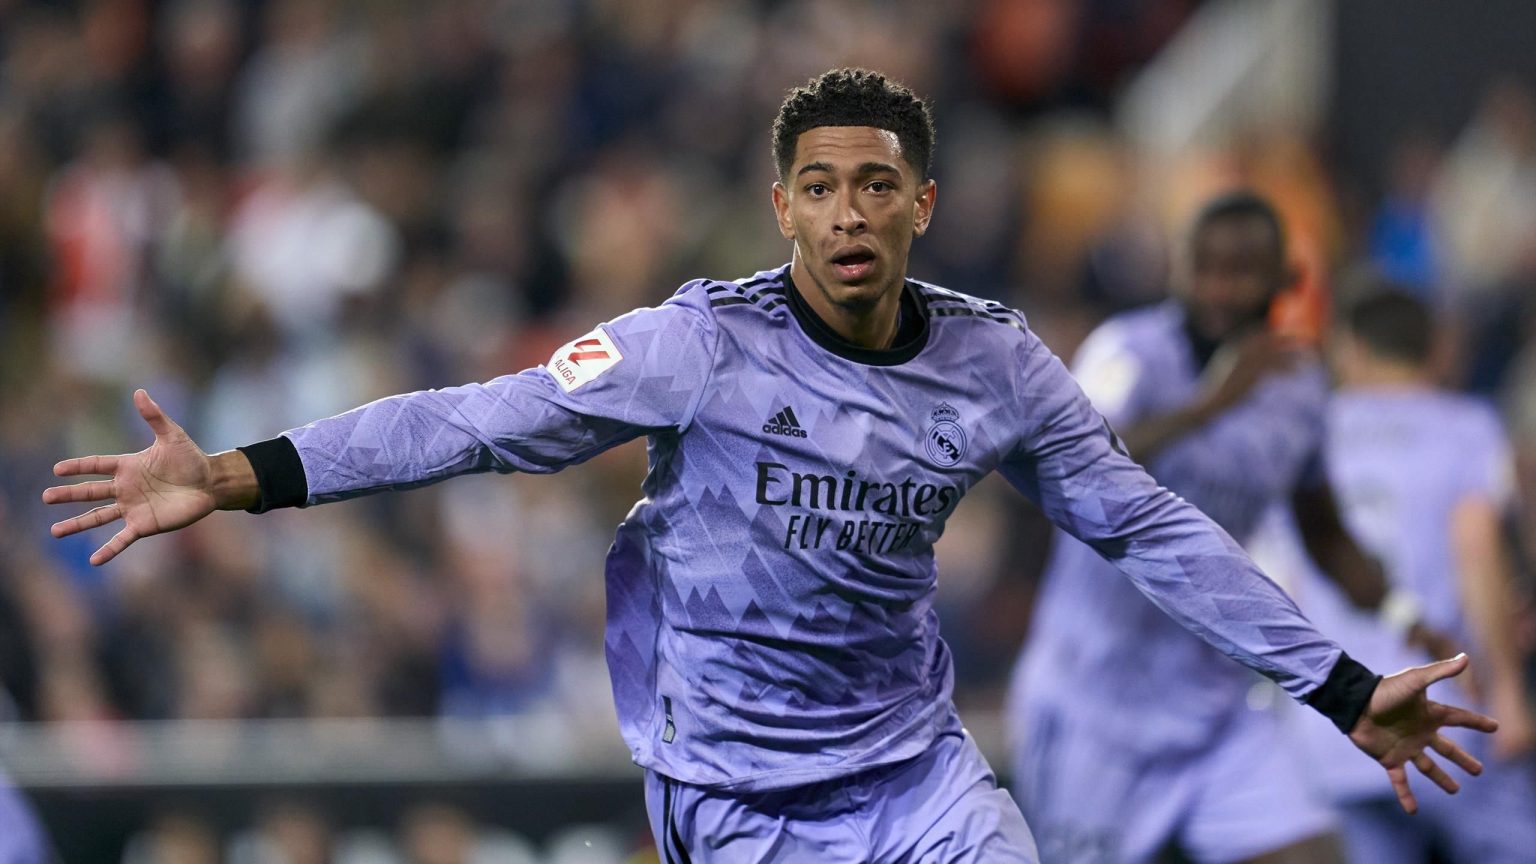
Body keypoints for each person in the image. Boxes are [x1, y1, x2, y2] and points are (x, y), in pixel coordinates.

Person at [44, 69, 1494, 863]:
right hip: (736, 793)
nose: (849, 213)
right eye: (820, 187)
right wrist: (234, 475)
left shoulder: (997, 366)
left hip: (918, 770)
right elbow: (473, 422)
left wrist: (1342, 688)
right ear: (782, 207)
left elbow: (1150, 528)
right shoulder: (696, 349)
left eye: (877, 185)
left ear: (923, 204)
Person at [1005, 193, 1459, 864]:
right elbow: (1059, 460)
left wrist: (1402, 612)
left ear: (1287, 280)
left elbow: (1325, 534)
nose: (1219, 289)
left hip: (1215, 707)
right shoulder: (1127, 351)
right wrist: (1210, 403)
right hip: (1096, 705)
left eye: (1241, 271)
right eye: (1205, 268)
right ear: (1177, 269)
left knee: (1313, 857)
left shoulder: (1300, 389)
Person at [1279, 286, 1536, 863]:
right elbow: (1476, 550)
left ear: (1350, 348)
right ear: (1436, 348)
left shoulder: (1310, 431)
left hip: (1333, 720)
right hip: (1447, 711)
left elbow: (1283, 575)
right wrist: (1509, 691)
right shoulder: (1466, 427)